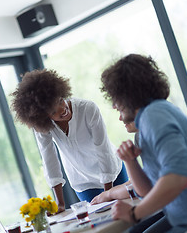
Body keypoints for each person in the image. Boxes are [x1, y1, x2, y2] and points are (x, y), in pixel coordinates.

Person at [100, 53, 187, 232]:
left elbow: (179, 177)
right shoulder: (152, 117)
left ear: (128, 93)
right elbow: (149, 192)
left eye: (115, 97)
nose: (114, 106)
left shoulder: (153, 116)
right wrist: (130, 161)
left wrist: (135, 213)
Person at [10, 69, 128, 213]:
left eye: (60, 101)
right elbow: (49, 160)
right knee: (101, 222)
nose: (62, 109)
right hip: (83, 182)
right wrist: (59, 204)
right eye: (53, 111)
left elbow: (102, 149)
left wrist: (107, 193)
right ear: (44, 117)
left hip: (113, 172)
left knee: (128, 213)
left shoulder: (88, 109)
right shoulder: (43, 127)